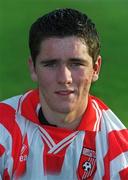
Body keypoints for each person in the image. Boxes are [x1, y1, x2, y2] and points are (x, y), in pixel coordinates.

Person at [0, 8, 128, 180]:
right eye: (51, 64)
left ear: (96, 68)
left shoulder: (119, 155)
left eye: (76, 64)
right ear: (33, 68)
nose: (64, 78)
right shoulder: (3, 128)